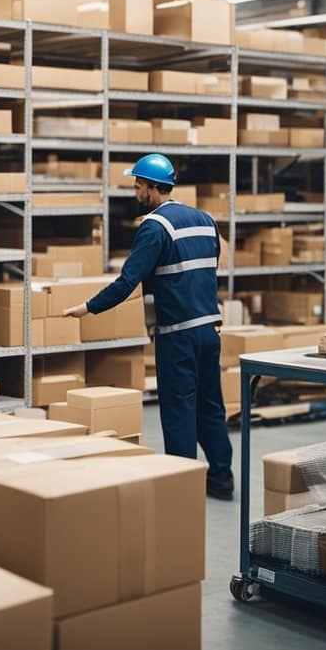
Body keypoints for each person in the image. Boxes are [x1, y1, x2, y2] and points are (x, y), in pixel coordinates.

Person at [64, 153, 235, 499]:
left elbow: (128, 282)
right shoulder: (205, 220)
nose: (136, 192)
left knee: (178, 410)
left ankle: (181, 484)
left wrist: (87, 308)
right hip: (211, 329)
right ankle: (220, 479)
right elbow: (205, 267)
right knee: (210, 406)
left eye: (139, 186)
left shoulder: (154, 227)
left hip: (179, 335)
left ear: (154, 188)